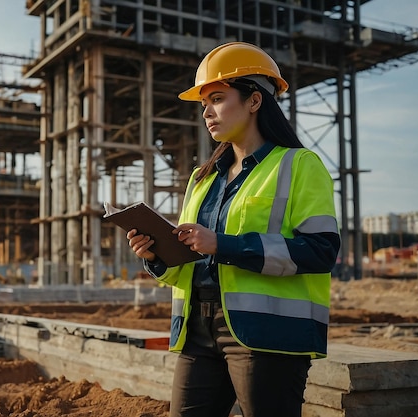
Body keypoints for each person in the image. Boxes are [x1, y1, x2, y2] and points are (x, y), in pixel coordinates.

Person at [127, 42, 340, 417]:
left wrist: (223, 245)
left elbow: (320, 250)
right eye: (203, 103)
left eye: (218, 98)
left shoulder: (299, 165)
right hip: (197, 329)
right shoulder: (202, 178)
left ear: (254, 101)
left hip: (269, 334)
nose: (207, 111)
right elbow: (192, 263)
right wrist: (157, 256)